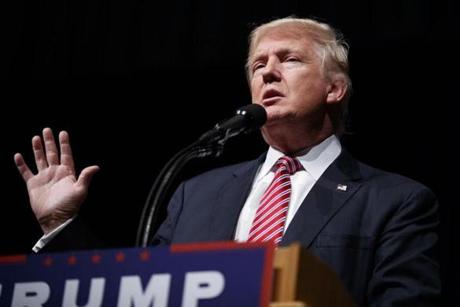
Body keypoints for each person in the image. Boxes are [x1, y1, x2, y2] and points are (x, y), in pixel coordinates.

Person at [15, 17, 440, 306]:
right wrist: (61, 225)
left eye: (289, 59)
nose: (268, 73)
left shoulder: (395, 201)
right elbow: (136, 294)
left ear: (335, 89)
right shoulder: (194, 193)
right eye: (258, 65)